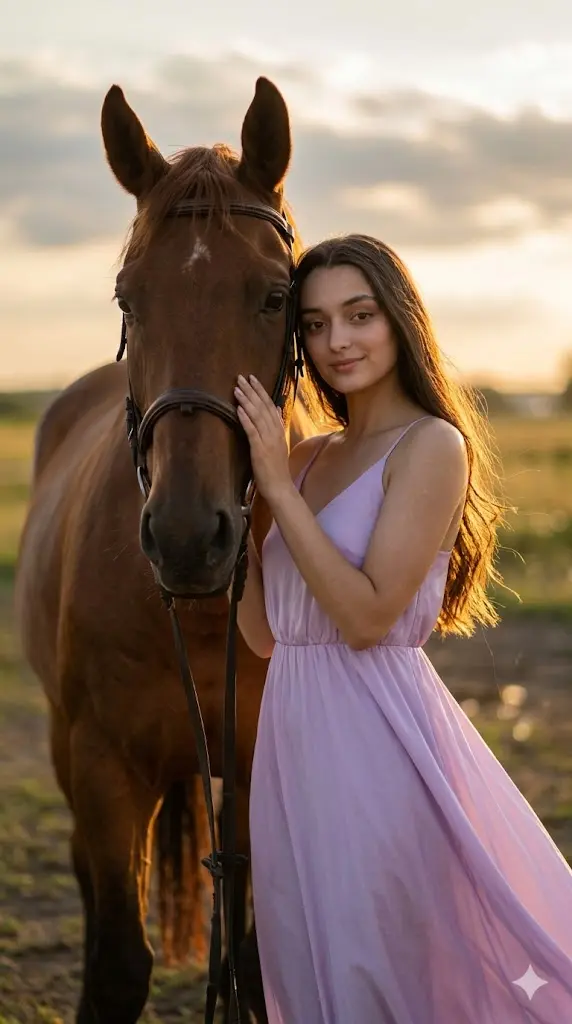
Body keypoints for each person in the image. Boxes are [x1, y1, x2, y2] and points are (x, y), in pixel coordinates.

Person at [233, 234, 572, 1023]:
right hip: (293, 745)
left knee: (374, 963)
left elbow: (365, 616)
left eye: (360, 315)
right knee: (306, 956)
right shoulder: (307, 457)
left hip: (378, 743)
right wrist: (240, 521)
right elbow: (265, 636)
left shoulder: (431, 446)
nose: (337, 341)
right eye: (315, 324)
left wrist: (277, 493)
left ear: (400, 319)